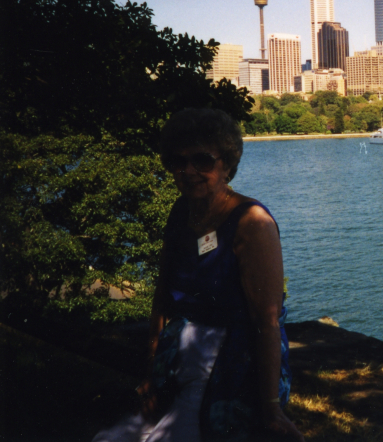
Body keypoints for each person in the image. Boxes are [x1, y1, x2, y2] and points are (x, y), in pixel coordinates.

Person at [94, 108, 303, 441]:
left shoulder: (253, 223)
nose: (189, 170)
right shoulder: (181, 211)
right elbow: (163, 297)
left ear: (227, 165)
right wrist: (151, 372)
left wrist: (271, 408)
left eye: (202, 160)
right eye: (179, 161)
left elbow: (267, 322)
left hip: (231, 364)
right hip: (177, 358)